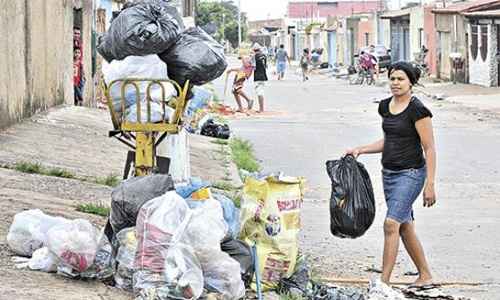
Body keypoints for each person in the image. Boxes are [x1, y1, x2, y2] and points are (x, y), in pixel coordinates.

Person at [346, 61, 436, 289]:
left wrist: (430, 184)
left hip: (412, 174)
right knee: (404, 226)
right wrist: (361, 149)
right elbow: (390, 141)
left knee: (391, 224)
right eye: (392, 79)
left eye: (400, 79)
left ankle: (383, 283)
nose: (395, 83)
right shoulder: (385, 106)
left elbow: (429, 148)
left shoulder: (418, 110)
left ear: (411, 82)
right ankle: (425, 275)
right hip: (389, 174)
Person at [251, 44, 268, 113]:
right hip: (264, 76)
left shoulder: (254, 57)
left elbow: (253, 67)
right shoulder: (264, 56)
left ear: (254, 50)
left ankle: (261, 109)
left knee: (259, 93)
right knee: (261, 91)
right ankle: (261, 108)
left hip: (257, 76)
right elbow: (266, 66)